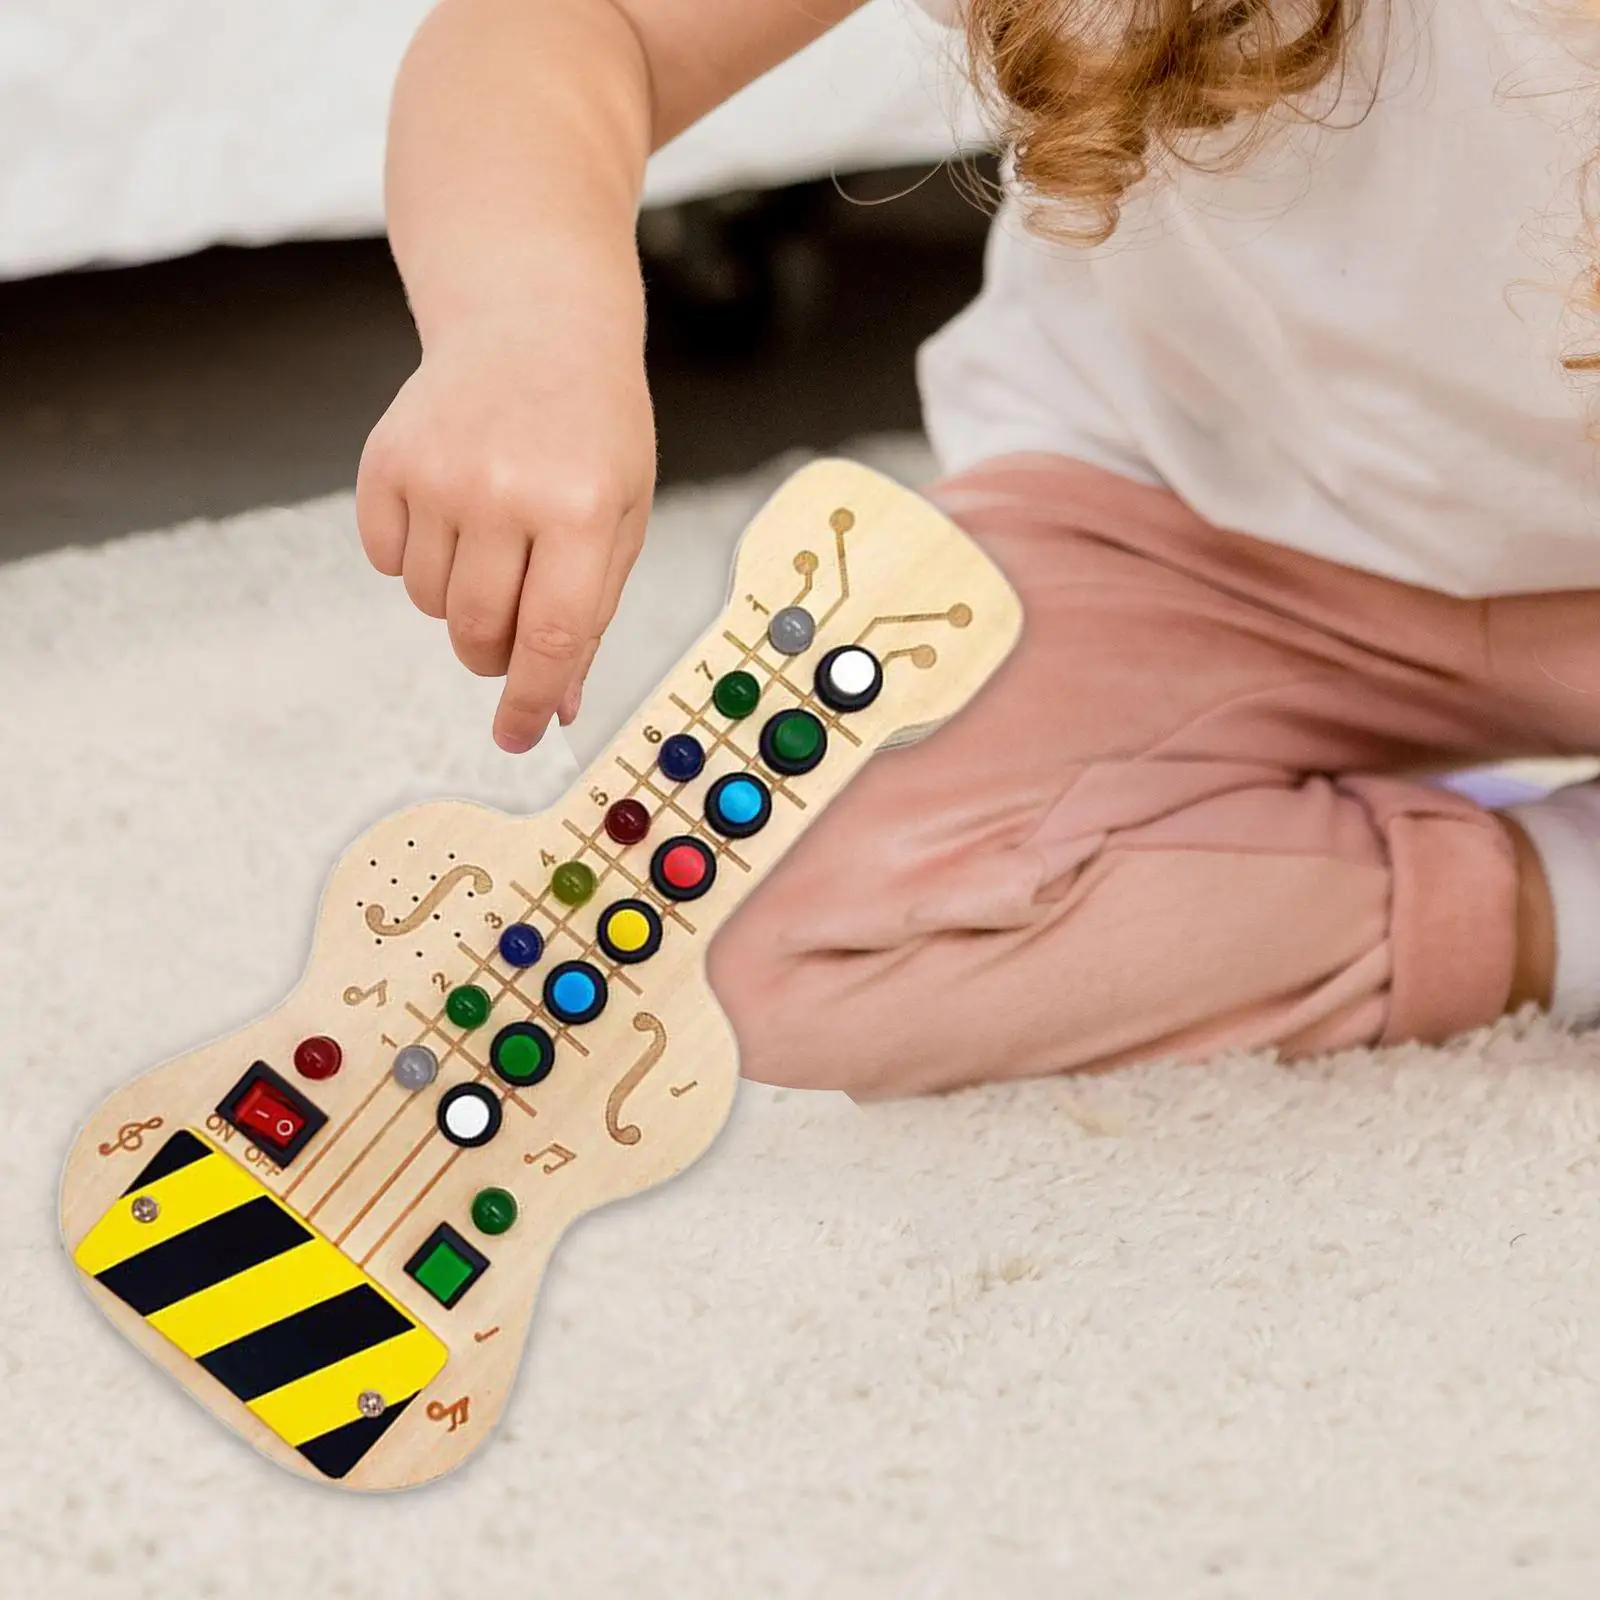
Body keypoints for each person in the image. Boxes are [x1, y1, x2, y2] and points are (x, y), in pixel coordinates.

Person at [357, 0, 1600, 1098]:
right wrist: (527, 331)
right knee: (730, 894)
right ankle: (1559, 883)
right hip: (1183, 515)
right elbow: (576, 25)